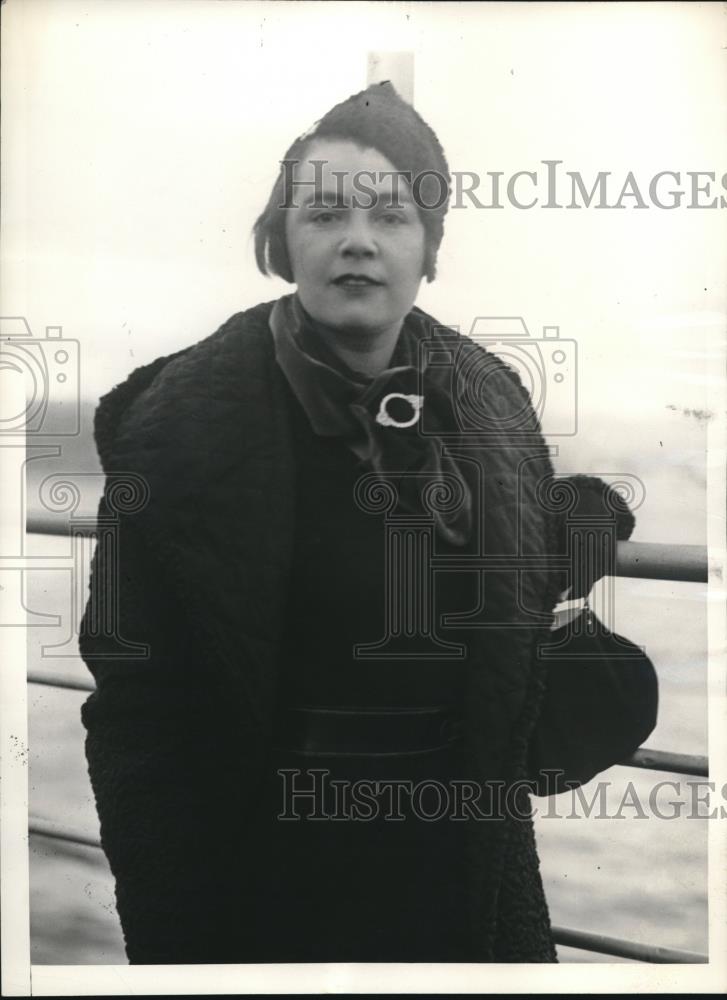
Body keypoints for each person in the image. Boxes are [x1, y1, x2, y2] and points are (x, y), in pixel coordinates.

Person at [79, 82, 658, 964]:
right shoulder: (174, 433)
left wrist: (575, 525)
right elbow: (135, 712)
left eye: (391, 215)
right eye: (323, 214)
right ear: (282, 242)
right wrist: (175, 928)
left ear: (429, 249)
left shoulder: (485, 404)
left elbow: (481, 582)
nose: (357, 239)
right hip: (269, 873)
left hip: (458, 859)